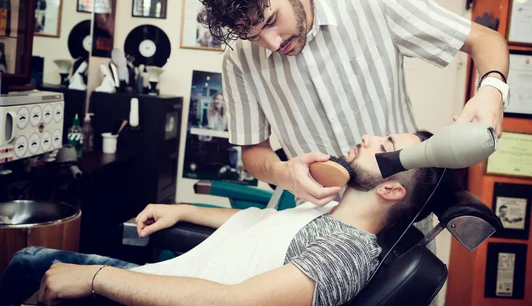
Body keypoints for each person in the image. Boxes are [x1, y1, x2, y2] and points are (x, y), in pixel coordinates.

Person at [197, 0, 510, 215]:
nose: (273, 43)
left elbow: (485, 41)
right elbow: (254, 153)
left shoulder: (373, 1)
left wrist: (492, 89)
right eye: (253, 36)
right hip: (319, 221)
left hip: (400, 211)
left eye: (272, 21)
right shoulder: (238, 60)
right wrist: (282, 173)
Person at [0, 131, 450, 306]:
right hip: (165, 277)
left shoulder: (344, 252)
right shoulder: (329, 204)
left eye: (385, 142)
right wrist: (183, 209)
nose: (369, 136)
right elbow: (259, 224)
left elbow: (231, 303)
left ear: (392, 189)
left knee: (30, 262)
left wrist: (96, 277)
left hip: (168, 299)